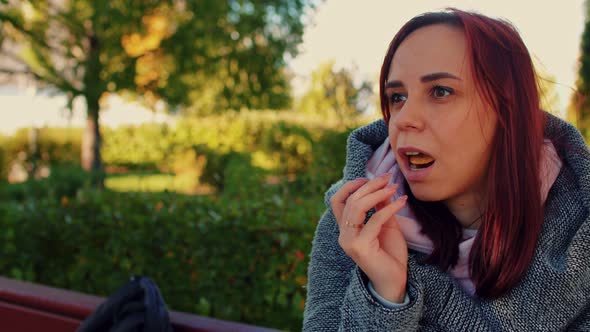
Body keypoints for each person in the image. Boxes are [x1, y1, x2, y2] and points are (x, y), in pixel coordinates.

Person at [303, 8, 590, 331]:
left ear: (507, 111)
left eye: (440, 91)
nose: (403, 119)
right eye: (397, 97)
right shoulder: (352, 225)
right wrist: (385, 296)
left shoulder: (580, 232)